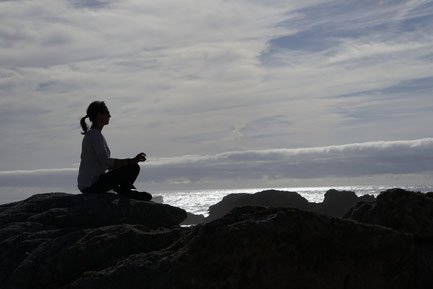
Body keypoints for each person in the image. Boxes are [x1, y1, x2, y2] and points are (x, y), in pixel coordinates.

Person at [77, 101, 152, 201]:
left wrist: (125, 164)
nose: (110, 116)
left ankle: (124, 190)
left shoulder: (95, 134)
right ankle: (125, 192)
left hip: (91, 184)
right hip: (91, 185)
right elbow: (105, 161)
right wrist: (130, 161)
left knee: (130, 167)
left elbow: (106, 165)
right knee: (133, 168)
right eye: (107, 113)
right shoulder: (94, 135)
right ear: (99, 115)